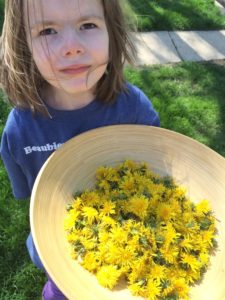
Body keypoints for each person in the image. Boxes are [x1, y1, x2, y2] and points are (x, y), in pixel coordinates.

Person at [0, 0, 160, 299]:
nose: (71, 47)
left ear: (112, 32)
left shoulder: (136, 112)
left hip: (132, 264)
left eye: (88, 25)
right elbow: (29, 198)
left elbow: (155, 183)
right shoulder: (19, 132)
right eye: (47, 31)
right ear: (23, 44)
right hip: (60, 261)